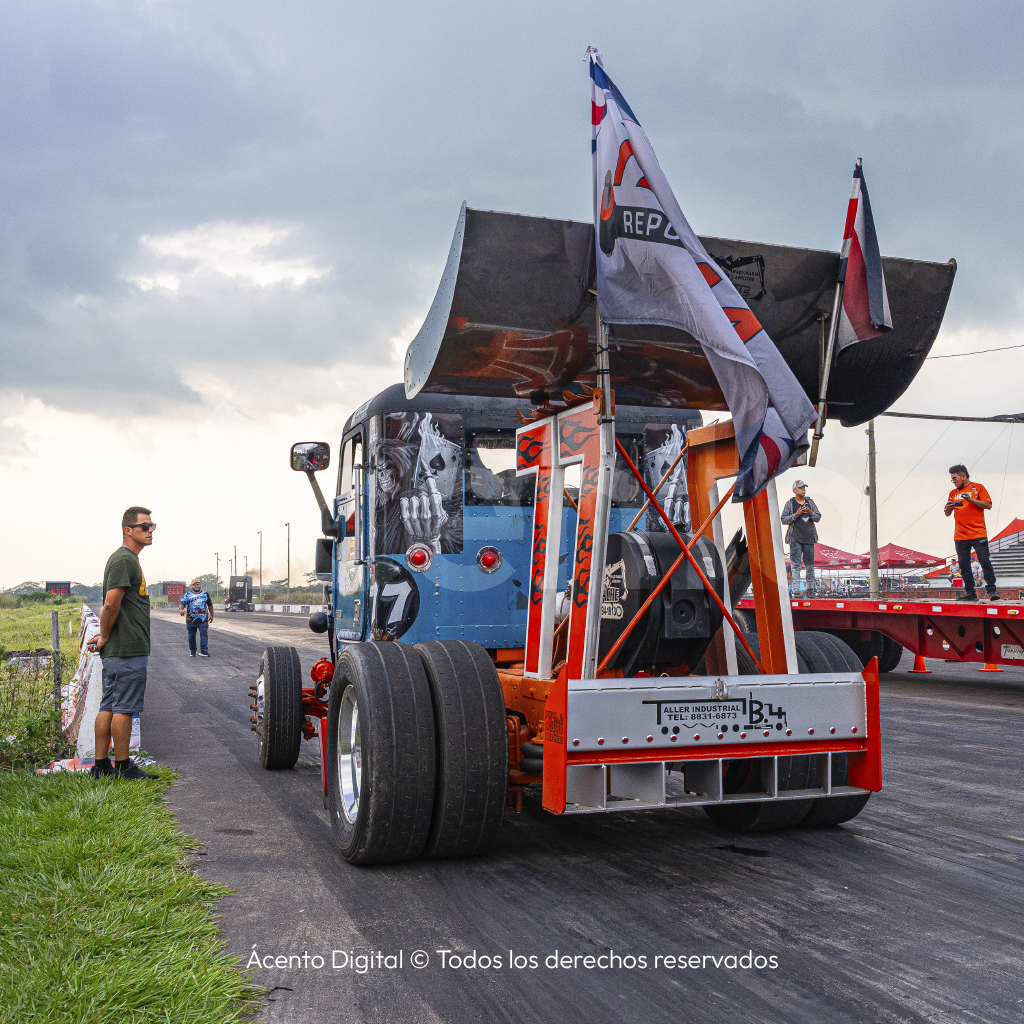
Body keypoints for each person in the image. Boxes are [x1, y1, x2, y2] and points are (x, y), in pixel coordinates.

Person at [87, 506, 159, 780]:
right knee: (124, 708)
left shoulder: (128, 560)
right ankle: (123, 766)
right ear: (128, 530)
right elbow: (110, 604)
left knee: (109, 706)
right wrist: (105, 636)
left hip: (120, 649)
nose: (150, 530)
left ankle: (101, 765)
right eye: (145, 526)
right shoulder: (124, 560)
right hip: (126, 648)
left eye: (153, 525)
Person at [944, 465, 999, 602]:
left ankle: (992, 591)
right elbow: (946, 513)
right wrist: (948, 508)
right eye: (952, 480)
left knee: (985, 561)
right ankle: (970, 593)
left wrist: (971, 500)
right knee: (963, 566)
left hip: (978, 533)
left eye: (955, 478)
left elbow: (988, 505)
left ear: (964, 476)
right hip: (960, 536)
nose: (954, 482)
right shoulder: (953, 493)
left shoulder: (977, 487)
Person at [781, 479, 822, 596]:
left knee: (809, 565)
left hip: (809, 537)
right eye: (800, 487)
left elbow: (818, 517)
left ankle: (810, 590)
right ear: (794, 490)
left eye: (804, 487)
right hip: (795, 538)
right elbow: (784, 519)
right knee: (795, 565)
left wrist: (810, 512)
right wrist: (796, 515)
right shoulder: (790, 503)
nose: (803, 489)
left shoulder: (810, 502)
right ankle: (796, 590)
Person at [179, 577, 214, 657]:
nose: (196, 586)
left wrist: (212, 615)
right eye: (194, 584)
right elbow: (182, 604)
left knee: (204, 633)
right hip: (191, 619)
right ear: (192, 586)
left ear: (200, 585)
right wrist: (181, 610)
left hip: (203, 619)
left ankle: (203, 650)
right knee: (191, 636)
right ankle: (193, 650)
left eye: (198, 584)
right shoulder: (188, 595)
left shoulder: (205, 594)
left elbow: (210, 605)